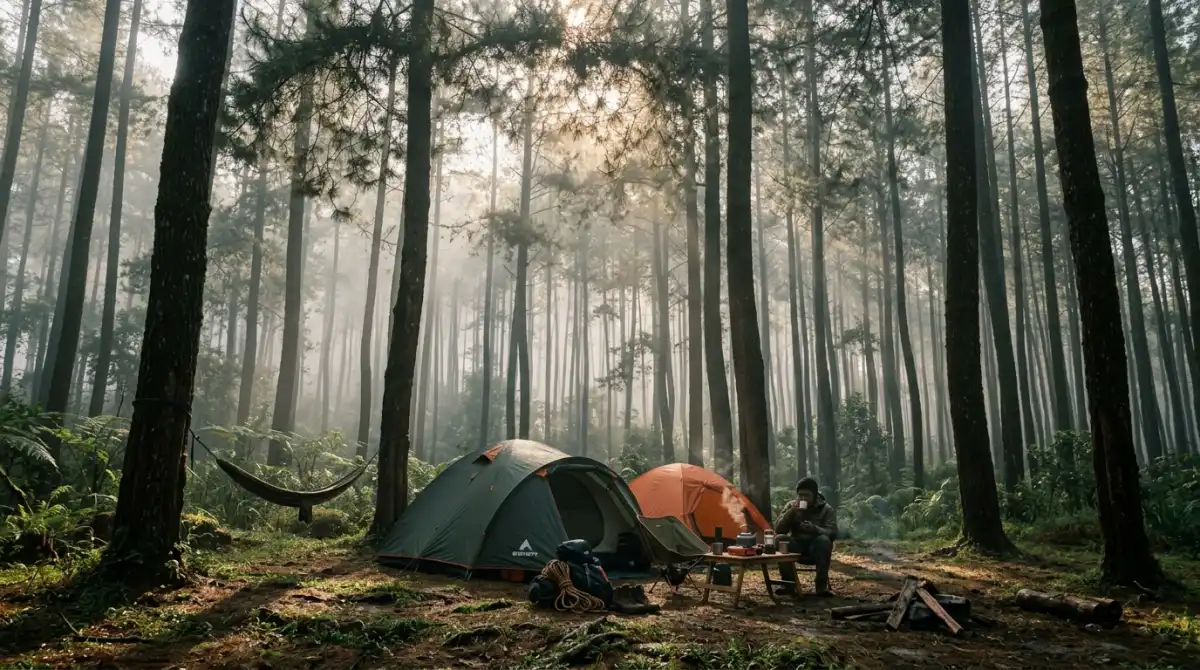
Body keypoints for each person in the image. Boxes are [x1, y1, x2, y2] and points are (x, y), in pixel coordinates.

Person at [773, 477, 837, 596]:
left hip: (815, 548)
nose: (803, 498)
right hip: (796, 545)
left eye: (806, 495)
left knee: (824, 540)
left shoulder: (826, 509)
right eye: (800, 495)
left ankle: (821, 587)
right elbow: (778, 530)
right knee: (780, 539)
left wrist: (815, 528)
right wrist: (791, 513)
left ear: (814, 495)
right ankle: (788, 584)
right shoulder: (792, 506)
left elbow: (832, 532)